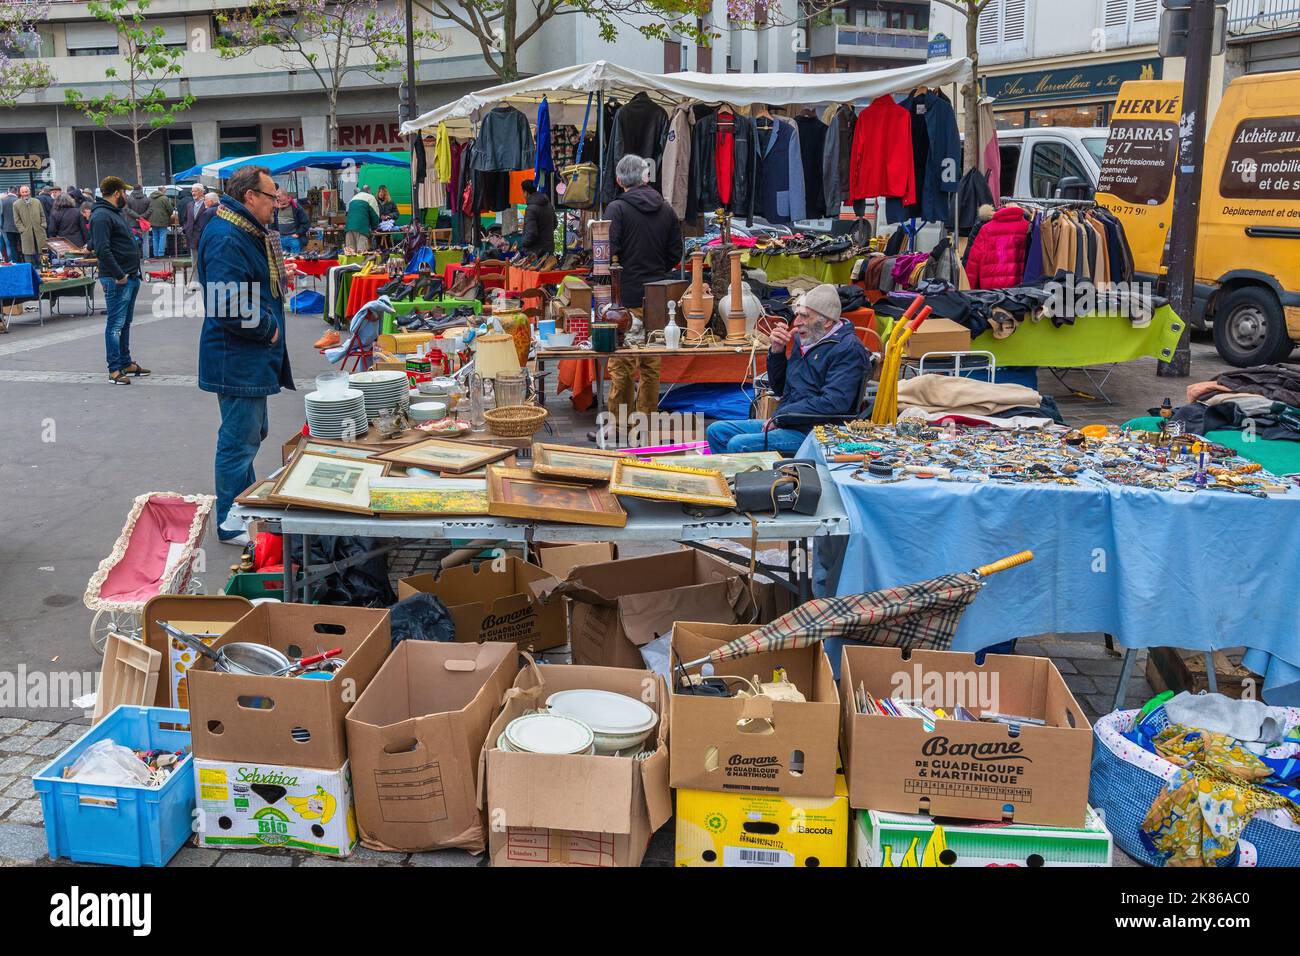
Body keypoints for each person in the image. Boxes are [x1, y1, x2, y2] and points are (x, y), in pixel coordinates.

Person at [197, 165, 293, 547]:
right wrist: (268, 328)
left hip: (244, 355)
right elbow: (227, 301)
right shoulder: (227, 234)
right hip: (237, 356)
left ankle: (242, 507)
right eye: (271, 196)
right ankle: (230, 520)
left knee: (250, 435)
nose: (277, 203)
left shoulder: (240, 229)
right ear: (250, 196)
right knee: (238, 440)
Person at [706, 283, 870, 455]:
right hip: (790, 421)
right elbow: (780, 388)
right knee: (717, 431)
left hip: (817, 432)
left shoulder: (848, 349)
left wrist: (782, 416)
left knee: (739, 444)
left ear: (827, 321)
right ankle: (732, 479)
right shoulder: (807, 339)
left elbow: (833, 402)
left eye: (805, 316)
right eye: (797, 314)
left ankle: (754, 480)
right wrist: (777, 351)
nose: (797, 322)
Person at [605, 154, 682, 421]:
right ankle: (646, 421)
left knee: (622, 363)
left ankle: (620, 425)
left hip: (624, 296)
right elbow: (676, 254)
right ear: (646, 176)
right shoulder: (666, 209)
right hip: (657, 295)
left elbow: (608, 255)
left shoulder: (617, 209)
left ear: (618, 180)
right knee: (651, 363)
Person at [90, 176, 148, 386]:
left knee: (124, 323)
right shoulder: (102, 215)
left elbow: (99, 241)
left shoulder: (112, 213)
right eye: (124, 192)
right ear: (116, 193)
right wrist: (119, 275)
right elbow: (102, 248)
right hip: (118, 279)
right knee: (115, 325)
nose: (126, 196)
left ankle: (125, 362)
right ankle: (114, 369)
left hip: (129, 276)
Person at [519, 179, 556, 261]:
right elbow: (555, 224)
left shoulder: (531, 209)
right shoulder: (548, 205)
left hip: (534, 253)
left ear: (526, 192)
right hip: (548, 249)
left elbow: (531, 233)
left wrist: (523, 243)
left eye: (523, 192)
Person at [13, 184, 47, 269]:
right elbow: (17, 220)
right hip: (26, 232)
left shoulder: (36, 201)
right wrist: (22, 230)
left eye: (26, 191)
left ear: (30, 192)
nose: (25, 194)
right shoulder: (16, 204)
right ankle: (30, 269)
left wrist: (43, 225)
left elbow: (42, 215)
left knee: (42, 250)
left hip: (39, 230)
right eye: (23, 192)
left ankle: (44, 267)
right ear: (20, 193)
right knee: (28, 252)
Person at [273, 188, 309, 255]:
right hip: (280, 239)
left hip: (293, 239)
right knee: (284, 261)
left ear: (288, 197)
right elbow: (272, 224)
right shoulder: (276, 209)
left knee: (295, 260)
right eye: (276, 197)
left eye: (279, 196)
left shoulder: (296, 207)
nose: (277, 199)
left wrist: (298, 233)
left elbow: (306, 223)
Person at [345, 185, 379, 252]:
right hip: (361, 229)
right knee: (361, 254)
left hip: (349, 229)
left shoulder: (353, 198)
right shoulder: (370, 197)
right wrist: (374, 228)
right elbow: (375, 215)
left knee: (350, 253)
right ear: (369, 191)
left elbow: (349, 213)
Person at [146, 187, 174, 258]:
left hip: (152, 220)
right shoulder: (164, 198)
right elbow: (170, 209)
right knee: (162, 236)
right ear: (163, 191)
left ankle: (155, 254)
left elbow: (147, 208)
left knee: (155, 237)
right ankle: (161, 253)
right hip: (162, 220)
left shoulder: (150, 198)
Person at [181, 183, 206, 252]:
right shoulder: (189, 205)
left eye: (195, 191)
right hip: (192, 236)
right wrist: (186, 228)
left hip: (203, 235)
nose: (193, 193)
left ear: (201, 192)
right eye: (192, 191)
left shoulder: (207, 203)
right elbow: (185, 218)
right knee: (194, 260)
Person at [0, 186, 18, 264]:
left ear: (8, 191)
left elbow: (1, 215)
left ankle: (12, 262)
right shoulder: (18, 200)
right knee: (19, 246)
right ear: (16, 192)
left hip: (6, 227)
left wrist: (1, 226)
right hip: (19, 227)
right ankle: (19, 261)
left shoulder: (2, 201)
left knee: (9, 246)